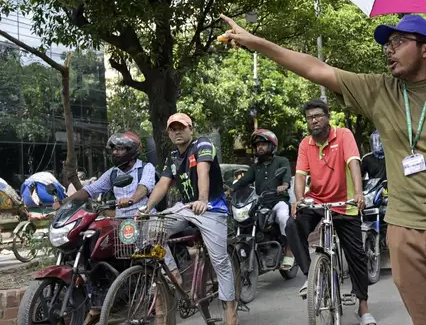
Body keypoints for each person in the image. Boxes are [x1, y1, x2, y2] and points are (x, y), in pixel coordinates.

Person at [220, 13, 426, 325]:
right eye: (387, 44)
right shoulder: (379, 90)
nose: (389, 50)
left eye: (399, 42)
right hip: (405, 233)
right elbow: (314, 68)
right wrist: (256, 43)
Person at [53, 131, 178, 325]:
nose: (117, 152)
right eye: (115, 149)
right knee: (93, 245)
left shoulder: (145, 168)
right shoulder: (112, 173)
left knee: (158, 265)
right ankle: (98, 301)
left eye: (122, 149)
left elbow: (144, 187)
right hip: (123, 227)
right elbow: (89, 191)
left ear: (132, 151)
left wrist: (133, 199)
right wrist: (64, 203)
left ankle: (169, 299)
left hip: (144, 220)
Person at [285, 99, 376, 325]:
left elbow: (354, 163)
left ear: (327, 116)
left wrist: (359, 193)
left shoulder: (344, 135)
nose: (314, 120)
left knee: (356, 255)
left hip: (345, 203)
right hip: (317, 202)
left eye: (318, 115)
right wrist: (299, 200)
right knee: (292, 224)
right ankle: (311, 276)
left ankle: (363, 307)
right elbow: (299, 175)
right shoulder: (306, 144)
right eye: (310, 117)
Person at [145, 113, 238, 325]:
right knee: (153, 227)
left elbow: (203, 171)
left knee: (220, 261)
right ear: (168, 133)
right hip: (186, 208)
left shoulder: (203, 145)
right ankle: (174, 274)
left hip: (212, 208)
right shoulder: (172, 157)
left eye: (182, 127)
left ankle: (230, 309)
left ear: (191, 129)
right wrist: (146, 208)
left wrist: (203, 199)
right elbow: (163, 185)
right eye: (173, 129)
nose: (177, 131)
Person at [231, 129, 294, 269]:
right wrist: (230, 190)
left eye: (263, 144)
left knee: (283, 217)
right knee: (245, 220)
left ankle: (289, 252)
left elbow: (286, 177)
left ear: (271, 145)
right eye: (257, 145)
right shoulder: (255, 167)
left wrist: (284, 185)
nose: (260, 147)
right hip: (260, 203)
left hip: (278, 201)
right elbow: (244, 181)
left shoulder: (281, 161)